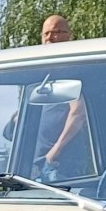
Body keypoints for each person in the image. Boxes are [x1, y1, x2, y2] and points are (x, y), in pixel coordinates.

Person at [33, 13, 90, 180]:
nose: (50, 38)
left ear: (69, 36)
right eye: (46, 34)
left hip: (60, 165)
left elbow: (78, 112)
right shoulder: (40, 76)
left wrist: (56, 151)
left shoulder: (73, 71)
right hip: (35, 165)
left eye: (56, 32)